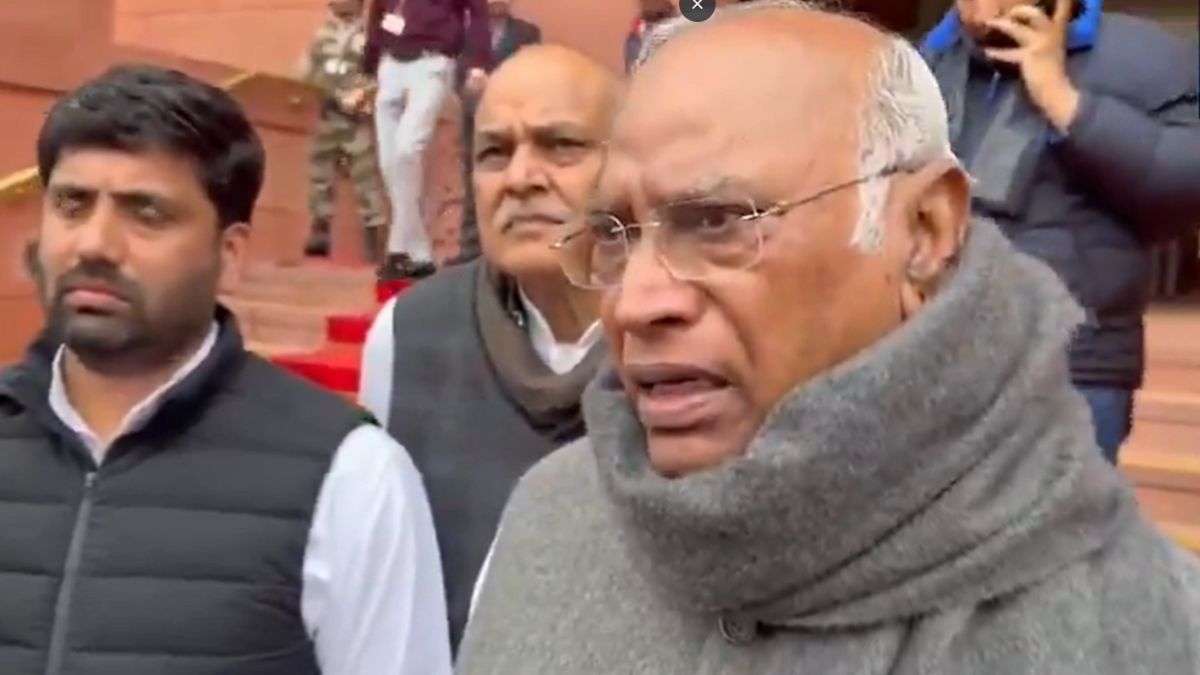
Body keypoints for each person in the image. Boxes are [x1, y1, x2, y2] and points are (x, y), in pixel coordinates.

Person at [457, 3, 1200, 673]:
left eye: (716, 221)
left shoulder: (1138, 627)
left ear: (924, 230)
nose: (633, 304)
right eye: (616, 235)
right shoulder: (546, 519)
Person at [0, 65, 452, 675]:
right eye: (72, 204)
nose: (95, 243)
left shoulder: (351, 476)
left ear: (230, 254)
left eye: (146, 212)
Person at [359, 44, 620, 652]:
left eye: (561, 145)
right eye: (494, 153)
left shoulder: (688, 336)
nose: (521, 179)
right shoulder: (408, 334)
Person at [920, 0, 1200, 463]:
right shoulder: (932, 59)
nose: (975, 9)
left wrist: (1064, 101)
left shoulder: (1144, 57)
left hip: (1071, 359)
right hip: (937, 352)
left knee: (1060, 510)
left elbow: (1183, 184)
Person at [364, 0, 491, 279]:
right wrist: (369, 64)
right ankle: (418, 254)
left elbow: (477, 12)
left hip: (431, 61)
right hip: (390, 63)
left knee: (407, 150)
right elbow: (377, 12)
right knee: (389, 163)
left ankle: (398, 249)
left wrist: (478, 62)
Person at [451, 0, 542, 265]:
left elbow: (531, 73)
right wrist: (467, 85)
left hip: (512, 123)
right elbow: (454, 72)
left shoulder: (527, 32)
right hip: (474, 120)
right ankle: (470, 249)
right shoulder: (464, 32)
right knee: (474, 182)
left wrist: (498, 85)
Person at [301, 0, 389, 263]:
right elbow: (307, 73)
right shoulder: (322, 35)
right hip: (328, 115)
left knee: (366, 177)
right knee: (320, 175)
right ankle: (319, 230)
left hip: (357, 119)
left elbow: (381, 71)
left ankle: (374, 237)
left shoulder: (372, 35)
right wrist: (332, 93)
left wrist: (365, 95)